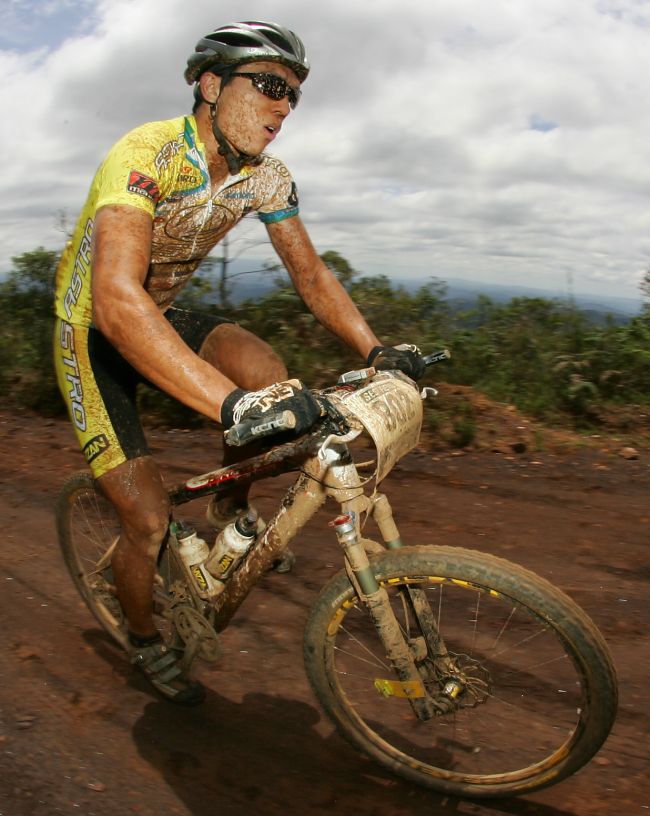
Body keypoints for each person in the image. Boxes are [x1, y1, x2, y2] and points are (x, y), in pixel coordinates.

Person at [53, 20, 426, 706]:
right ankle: (141, 638)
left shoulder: (265, 179)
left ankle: (230, 506)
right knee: (146, 521)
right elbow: (113, 297)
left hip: (157, 317)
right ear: (210, 84)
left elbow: (311, 276)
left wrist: (376, 349)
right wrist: (229, 406)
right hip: (94, 334)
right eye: (272, 87)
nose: (285, 108)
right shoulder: (146, 153)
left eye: (295, 98)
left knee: (265, 369)